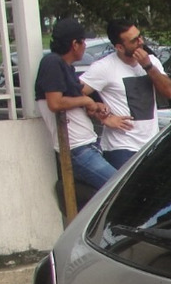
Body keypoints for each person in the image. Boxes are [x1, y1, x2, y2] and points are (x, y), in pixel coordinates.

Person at [34, 17, 116, 198]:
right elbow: (55, 103)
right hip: (76, 149)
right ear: (75, 44)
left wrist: (94, 106)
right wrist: (86, 101)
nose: (85, 45)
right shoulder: (52, 63)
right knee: (117, 188)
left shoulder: (66, 67)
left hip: (88, 144)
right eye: (83, 41)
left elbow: (74, 100)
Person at [81, 18, 171, 169]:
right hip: (121, 147)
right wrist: (102, 115)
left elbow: (169, 92)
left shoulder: (151, 61)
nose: (140, 41)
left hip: (150, 143)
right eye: (134, 40)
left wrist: (149, 67)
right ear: (119, 47)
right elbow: (76, 94)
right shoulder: (104, 67)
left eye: (139, 36)